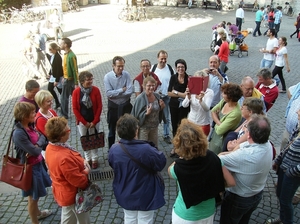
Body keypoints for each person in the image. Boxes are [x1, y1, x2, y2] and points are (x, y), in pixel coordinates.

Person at [168, 119, 235, 224]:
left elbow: (169, 171)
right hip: (207, 213)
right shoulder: (213, 157)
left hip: (184, 214)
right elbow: (231, 182)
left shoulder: (178, 168)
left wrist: (182, 157)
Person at [108, 114, 166, 224]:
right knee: (145, 220)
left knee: (129, 219)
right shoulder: (146, 149)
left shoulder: (114, 149)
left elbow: (112, 164)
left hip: (125, 192)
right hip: (145, 194)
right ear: (136, 131)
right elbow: (161, 162)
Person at [219, 115, 273, 224]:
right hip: (256, 194)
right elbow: (242, 147)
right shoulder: (268, 144)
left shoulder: (244, 155)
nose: (243, 129)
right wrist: (232, 150)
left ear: (248, 134)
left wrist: (224, 152)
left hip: (238, 198)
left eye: (245, 128)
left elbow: (218, 160)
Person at [45, 117, 91, 224]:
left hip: (64, 192)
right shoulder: (63, 158)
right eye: (68, 130)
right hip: (71, 195)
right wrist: (86, 172)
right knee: (78, 219)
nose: (69, 130)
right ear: (61, 136)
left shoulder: (50, 147)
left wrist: (82, 161)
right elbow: (77, 180)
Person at [13, 102, 52, 224]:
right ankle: (35, 221)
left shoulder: (28, 125)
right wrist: (37, 146)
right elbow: (35, 151)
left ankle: (38, 213)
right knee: (33, 198)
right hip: (30, 168)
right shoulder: (19, 133)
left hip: (37, 164)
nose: (35, 114)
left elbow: (42, 137)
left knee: (36, 196)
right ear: (24, 116)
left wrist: (37, 144)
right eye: (32, 113)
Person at [267, 110, 300, 224]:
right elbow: (288, 146)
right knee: (280, 194)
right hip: (283, 168)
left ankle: (288, 221)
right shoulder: (298, 127)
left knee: (286, 201)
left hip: (292, 174)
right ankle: (282, 218)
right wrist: (278, 160)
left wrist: (291, 172)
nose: (297, 112)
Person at [72, 71, 103, 169]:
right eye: (88, 79)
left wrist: (94, 121)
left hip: (94, 120)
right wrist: (84, 122)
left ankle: (94, 159)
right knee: (85, 140)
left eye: (91, 79)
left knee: (94, 139)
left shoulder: (96, 90)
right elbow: (75, 109)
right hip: (82, 122)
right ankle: (87, 158)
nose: (90, 81)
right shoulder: (76, 92)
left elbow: (99, 106)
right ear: (81, 81)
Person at [104, 56, 133, 149]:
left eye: (122, 66)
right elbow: (108, 93)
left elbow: (129, 91)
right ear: (113, 65)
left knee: (126, 128)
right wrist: (121, 90)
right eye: (119, 66)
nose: (121, 68)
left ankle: (126, 148)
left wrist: (116, 93)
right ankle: (111, 149)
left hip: (125, 106)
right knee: (111, 130)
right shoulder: (107, 77)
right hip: (113, 107)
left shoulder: (126, 74)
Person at [209, 83, 243, 155]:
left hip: (221, 142)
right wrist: (219, 123)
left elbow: (220, 131)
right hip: (215, 137)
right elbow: (212, 111)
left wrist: (217, 119)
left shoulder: (235, 113)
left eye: (224, 93)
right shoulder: (225, 102)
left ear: (230, 97)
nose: (222, 95)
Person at [131, 76, 165, 147]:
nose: (151, 88)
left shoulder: (157, 96)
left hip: (154, 127)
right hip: (143, 128)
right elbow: (134, 116)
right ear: (144, 86)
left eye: (153, 85)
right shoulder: (140, 98)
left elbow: (159, 111)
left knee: (154, 147)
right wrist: (146, 114)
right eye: (149, 86)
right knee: (143, 148)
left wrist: (162, 107)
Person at [168, 59, 190, 157]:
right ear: (176, 68)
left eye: (182, 67)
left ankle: (182, 147)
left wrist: (175, 92)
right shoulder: (173, 77)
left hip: (184, 107)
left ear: (185, 68)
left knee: (183, 127)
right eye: (178, 67)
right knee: (174, 126)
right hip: (173, 106)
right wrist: (182, 94)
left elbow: (188, 95)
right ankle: (175, 147)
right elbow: (168, 93)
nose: (180, 69)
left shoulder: (188, 78)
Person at [151, 50, 174, 144]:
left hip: (166, 97)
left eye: (165, 58)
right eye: (161, 58)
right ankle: (152, 133)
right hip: (155, 97)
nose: (163, 60)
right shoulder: (153, 68)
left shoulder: (170, 68)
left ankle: (166, 134)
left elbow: (174, 80)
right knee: (153, 115)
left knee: (166, 117)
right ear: (158, 58)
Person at [182, 70, 214, 136]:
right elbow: (184, 105)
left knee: (200, 145)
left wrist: (201, 100)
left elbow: (207, 109)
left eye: (202, 80)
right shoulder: (192, 89)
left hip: (203, 124)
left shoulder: (209, 92)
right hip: (191, 122)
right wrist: (188, 97)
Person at [60, 37, 79, 119]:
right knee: (75, 97)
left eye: (61, 43)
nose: (60, 45)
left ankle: (64, 114)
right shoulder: (66, 54)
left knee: (64, 98)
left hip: (69, 80)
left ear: (66, 45)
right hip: (66, 78)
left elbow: (75, 70)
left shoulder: (71, 55)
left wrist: (76, 83)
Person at [46, 42, 63, 109]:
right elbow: (52, 66)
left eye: (50, 49)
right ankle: (57, 102)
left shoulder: (58, 57)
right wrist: (50, 73)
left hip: (57, 76)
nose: (49, 51)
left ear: (54, 49)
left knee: (60, 91)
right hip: (53, 75)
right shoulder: (53, 56)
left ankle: (63, 102)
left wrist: (57, 80)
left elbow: (59, 69)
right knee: (50, 88)